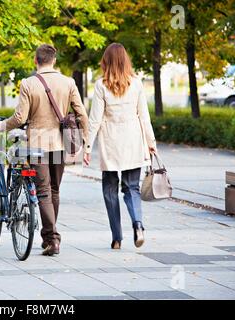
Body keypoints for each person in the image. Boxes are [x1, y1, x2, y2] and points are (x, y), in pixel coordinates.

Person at [0, 44, 89, 256]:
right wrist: (86, 140)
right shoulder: (68, 82)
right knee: (54, 190)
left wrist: (3, 125)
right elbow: (82, 114)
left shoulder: (28, 83)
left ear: (35, 61)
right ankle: (50, 238)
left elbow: (20, 117)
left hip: (37, 144)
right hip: (60, 144)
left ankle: (52, 239)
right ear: (54, 60)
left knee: (44, 192)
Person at [83, 43, 156, 250]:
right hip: (133, 142)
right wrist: (151, 143)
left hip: (111, 145)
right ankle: (138, 224)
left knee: (109, 191)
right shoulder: (137, 83)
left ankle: (117, 238)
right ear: (126, 61)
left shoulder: (101, 85)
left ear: (106, 61)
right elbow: (144, 117)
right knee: (132, 188)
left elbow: (95, 119)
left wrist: (87, 147)